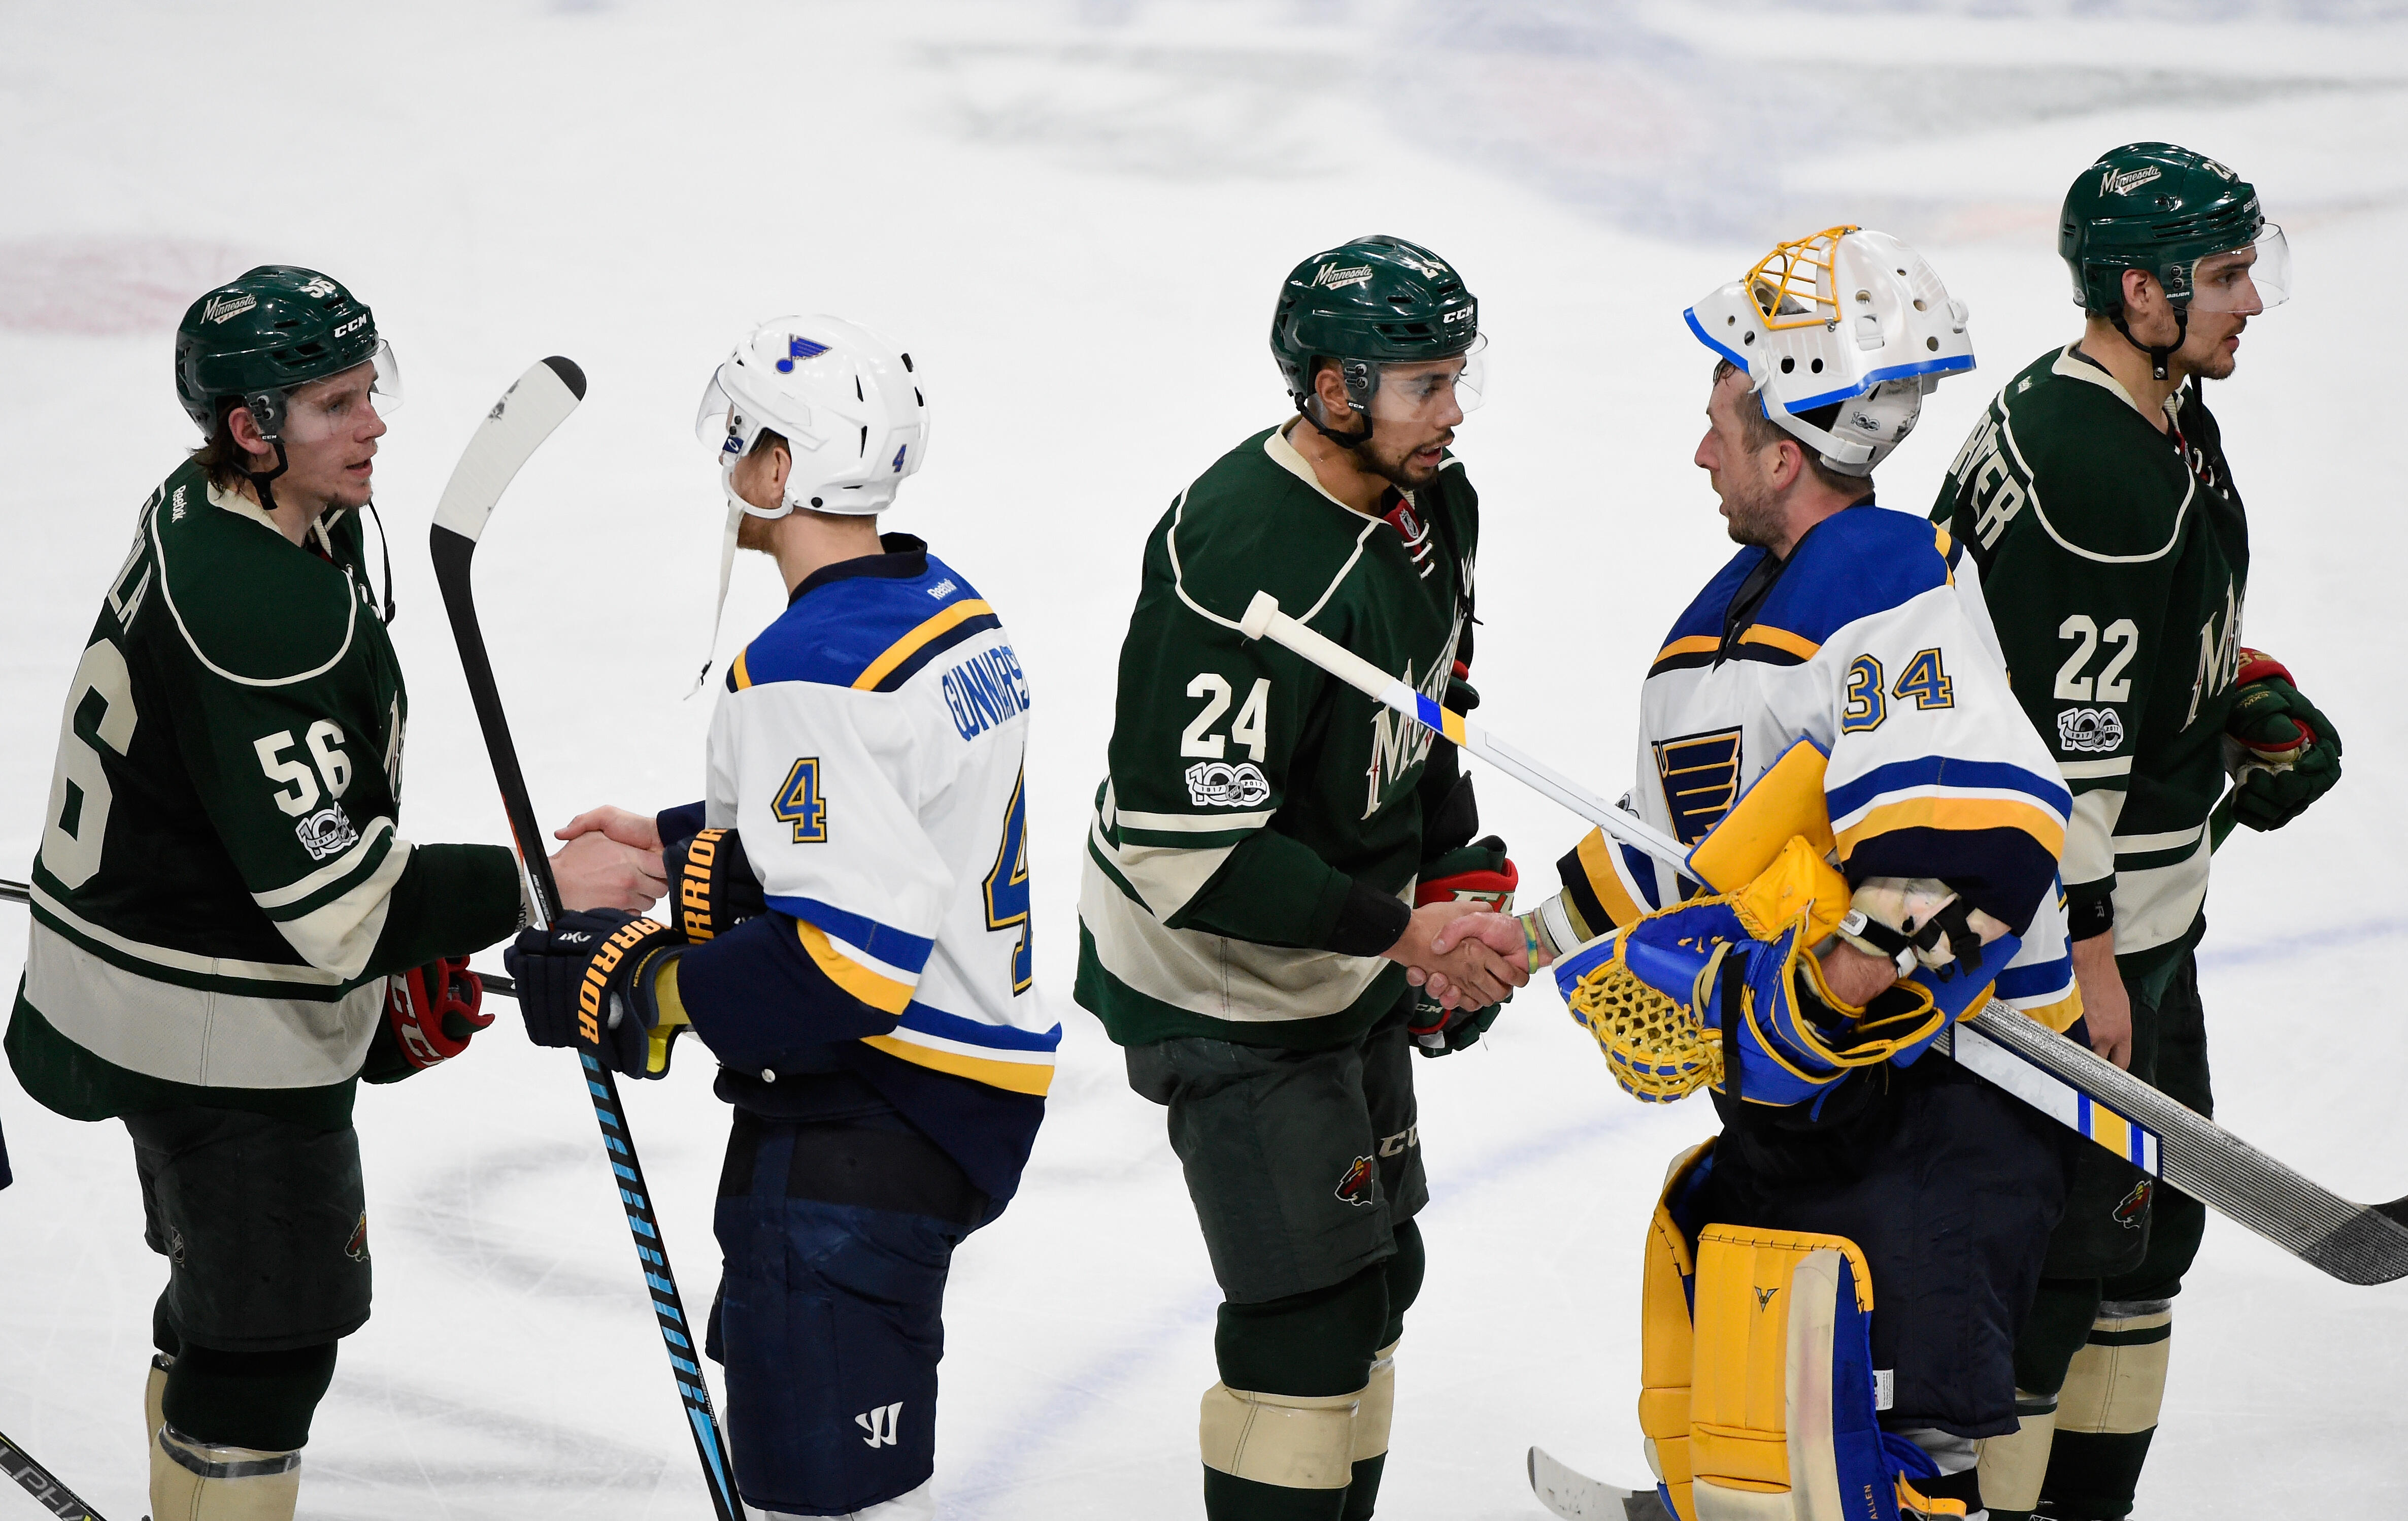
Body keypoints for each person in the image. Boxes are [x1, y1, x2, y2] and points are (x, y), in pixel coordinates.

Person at [4, 265, 661, 1520]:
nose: (372, 425)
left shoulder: (213, 510)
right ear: (251, 430)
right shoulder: (261, 608)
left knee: (221, 1309)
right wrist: (534, 886)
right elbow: (339, 914)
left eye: (371, 390)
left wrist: (379, 958)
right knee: (270, 1347)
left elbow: (256, 828)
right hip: (208, 1032)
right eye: (332, 406)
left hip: (130, 968)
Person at [1495, 227, 2082, 1520]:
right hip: (1826, 1099)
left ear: (1781, 445)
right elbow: (1667, 862)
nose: (1699, 449)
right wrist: (1519, 952)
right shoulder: (1713, 631)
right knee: (1736, 1332)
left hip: (1942, 1100)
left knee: (1873, 1450)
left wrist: (1821, 997)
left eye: (1719, 418)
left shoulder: (1887, 590)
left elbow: (1973, 843)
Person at [503, 315, 1055, 1521]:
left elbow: (847, 962)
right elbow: (883, 826)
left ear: (774, 471)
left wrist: (641, 986)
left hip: (870, 1120)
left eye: (743, 443)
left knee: (823, 1501)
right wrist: (674, 847)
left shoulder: (803, 670)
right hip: (954, 1102)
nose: (730, 467)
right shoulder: (944, 608)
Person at [1073, 234, 1529, 1521]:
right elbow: (1189, 853)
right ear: (1335, 392)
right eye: (1421, 386)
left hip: (1350, 942)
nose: (1449, 414)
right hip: (1221, 982)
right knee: (1308, 1317)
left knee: (1385, 1275)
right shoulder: (1237, 556)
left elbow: (1428, 706)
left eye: (1457, 378)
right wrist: (1406, 935)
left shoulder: (1440, 505)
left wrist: (1463, 874)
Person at [1930, 144, 2335, 1521]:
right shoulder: (2101, 472)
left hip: (2142, 929)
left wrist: (2238, 690)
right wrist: (2090, 968)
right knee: (2056, 1277)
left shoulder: (2132, 409)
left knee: (2143, 1252)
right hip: (2072, 953)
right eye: (2224, 277)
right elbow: (2059, 767)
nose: (2251, 303)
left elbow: (2115, 662)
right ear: (2143, 290)